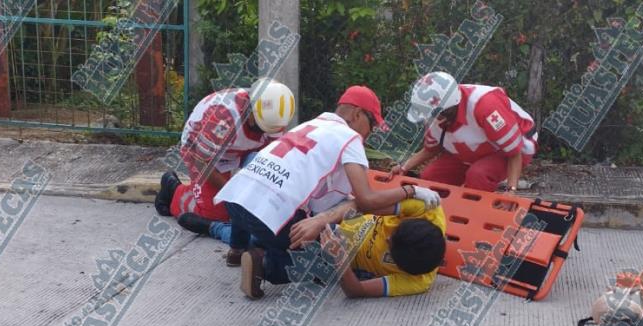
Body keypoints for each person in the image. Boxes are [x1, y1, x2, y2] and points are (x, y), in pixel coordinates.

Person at [214, 85, 442, 298]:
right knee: (322, 263)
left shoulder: (312, 124)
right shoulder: (351, 138)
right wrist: (411, 190)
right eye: (371, 125)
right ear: (357, 114)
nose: (370, 133)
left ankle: (238, 249)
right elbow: (366, 199)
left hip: (234, 199)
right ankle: (265, 262)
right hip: (268, 216)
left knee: (293, 217)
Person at [154, 78, 295, 249]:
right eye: (260, 127)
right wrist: (233, 192)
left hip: (239, 148)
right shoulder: (221, 118)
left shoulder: (273, 115)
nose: (265, 132)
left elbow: (274, 156)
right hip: (202, 153)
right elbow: (202, 162)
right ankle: (174, 190)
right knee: (216, 212)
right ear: (249, 109)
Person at [391, 71, 537, 193]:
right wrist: (404, 167)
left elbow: (514, 153)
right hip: (476, 147)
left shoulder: (485, 106)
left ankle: (479, 215)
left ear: (449, 108)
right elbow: (431, 149)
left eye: (435, 114)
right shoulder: (437, 115)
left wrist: (511, 190)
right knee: (431, 178)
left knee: (478, 175)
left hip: (516, 145)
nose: (432, 119)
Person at [288, 198, 446, 298]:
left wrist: (339, 260)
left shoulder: (417, 282)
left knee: (290, 261)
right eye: (394, 231)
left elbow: (356, 291)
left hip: (339, 257)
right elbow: (362, 204)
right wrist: (321, 221)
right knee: (297, 222)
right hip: (342, 214)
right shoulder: (428, 209)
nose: (387, 237)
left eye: (389, 246)